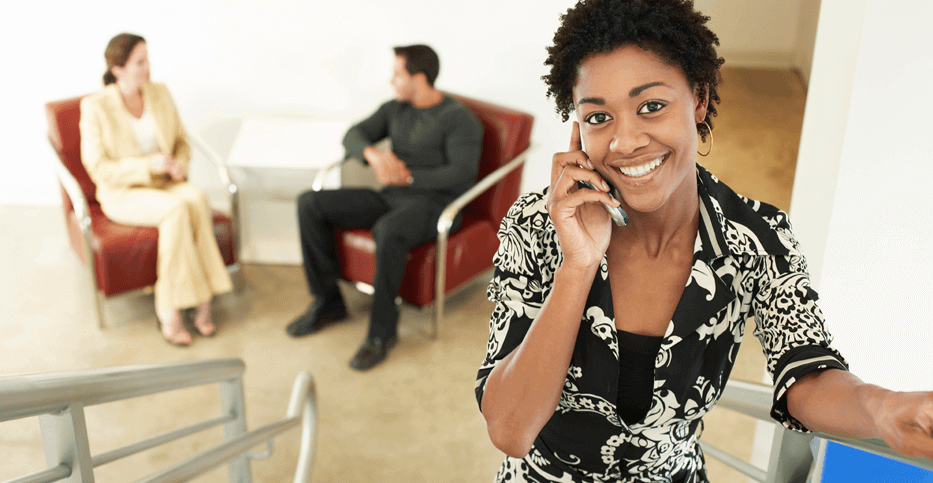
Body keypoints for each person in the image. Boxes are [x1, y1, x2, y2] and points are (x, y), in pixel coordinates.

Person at [475, 1, 933, 481]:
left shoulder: (755, 236)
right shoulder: (536, 223)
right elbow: (511, 430)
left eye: (651, 106)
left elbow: (807, 373)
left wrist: (881, 407)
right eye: (598, 117)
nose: (625, 142)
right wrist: (577, 265)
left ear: (697, 98)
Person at [289, 45, 484, 371]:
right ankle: (328, 302)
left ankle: (382, 333)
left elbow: (462, 172)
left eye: (398, 74)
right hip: (390, 196)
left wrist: (407, 176)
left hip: (435, 204)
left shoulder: (459, 120)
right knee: (310, 203)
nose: (391, 80)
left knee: (388, 229)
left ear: (419, 77)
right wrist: (374, 155)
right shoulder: (395, 109)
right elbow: (353, 135)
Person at [80, 33, 233, 346]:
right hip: (123, 192)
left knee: (196, 197)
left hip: (165, 184)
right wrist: (148, 165)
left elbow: (180, 142)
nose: (148, 67)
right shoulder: (95, 107)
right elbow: (98, 168)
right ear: (118, 69)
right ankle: (171, 306)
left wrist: (178, 164)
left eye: (147, 58)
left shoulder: (159, 93)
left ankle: (201, 297)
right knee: (176, 209)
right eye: (140, 61)